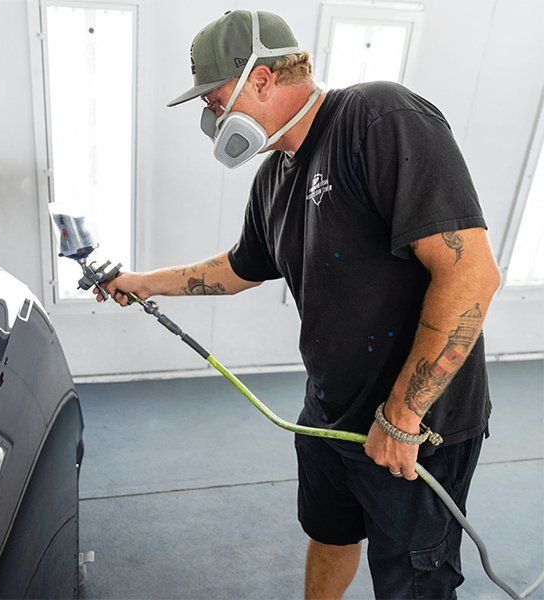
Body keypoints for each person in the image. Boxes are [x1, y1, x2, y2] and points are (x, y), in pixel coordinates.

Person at [94, 9, 502, 600]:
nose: (211, 119)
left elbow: (471, 274)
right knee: (331, 533)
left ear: (260, 78)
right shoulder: (274, 178)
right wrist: (144, 281)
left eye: (213, 101)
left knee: (415, 579)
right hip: (331, 411)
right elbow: (238, 270)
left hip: (418, 424)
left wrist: (404, 415)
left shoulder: (378, 117)